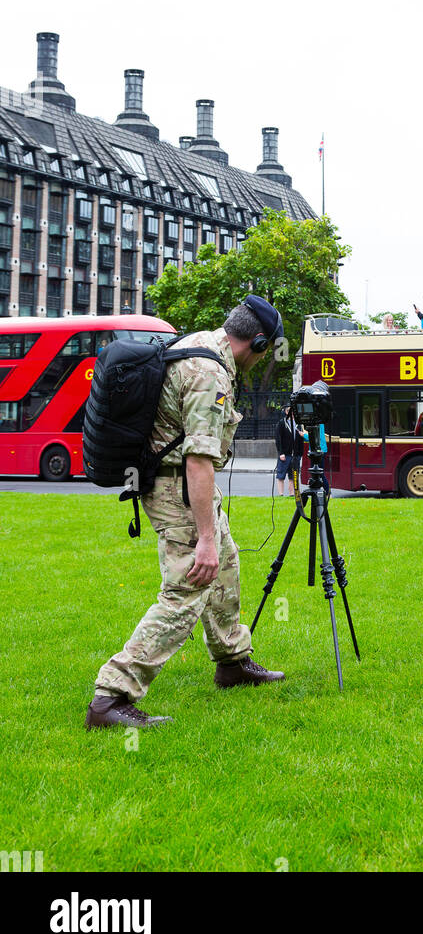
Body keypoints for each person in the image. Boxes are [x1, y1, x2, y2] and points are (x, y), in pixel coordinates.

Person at [85, 296, 287, 731]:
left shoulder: (200, 343)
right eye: (265, 349)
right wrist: (205, 538)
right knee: (188, 587)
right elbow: (198, 459)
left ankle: (232, 662)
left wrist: (216, 540)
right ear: (257, 340)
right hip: (178, 489)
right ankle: (111, 697)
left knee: (226, 565)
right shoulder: (209, 372)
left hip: (181, 485)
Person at [275, 403, 306, 498]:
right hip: (285, 454)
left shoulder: (299, 424)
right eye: (289, 411)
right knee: (281, 474)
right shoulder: (281, 423)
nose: (291, 413)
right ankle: (280, 494)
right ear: (285, 412)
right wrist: (281, 453)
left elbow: (301, 439)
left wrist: (300, 454)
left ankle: (292, 493)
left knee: (293, 475)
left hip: (296, 454)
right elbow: (278, 439)